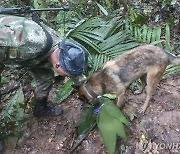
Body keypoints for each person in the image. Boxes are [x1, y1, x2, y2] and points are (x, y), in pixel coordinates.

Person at [0, 14, 88, 117]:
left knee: (45, 79)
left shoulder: (64, 49)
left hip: (35, 57)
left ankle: (40, 109)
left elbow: (75, 72)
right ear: (58, 66)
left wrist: (87, 90)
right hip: (6, 45)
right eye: (67, 75)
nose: (68, 77)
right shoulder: (26, 42)